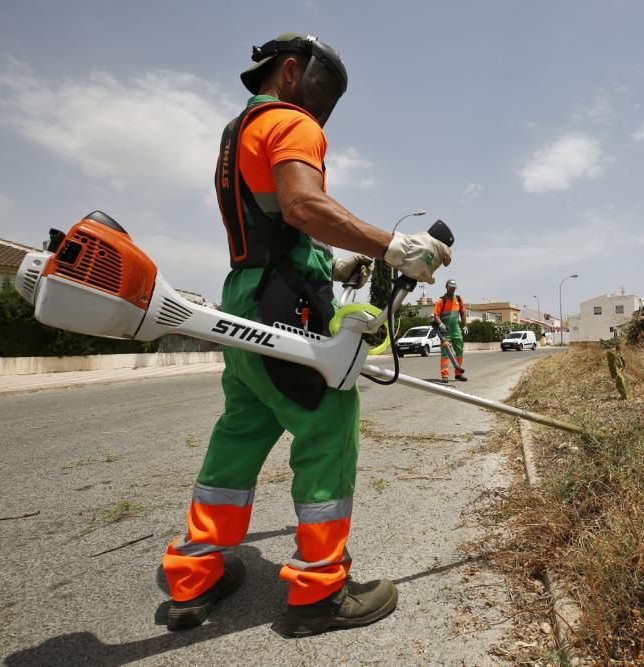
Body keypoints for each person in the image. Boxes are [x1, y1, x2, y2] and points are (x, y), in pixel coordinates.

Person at [161, 32, 451, 637]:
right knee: (327, 424)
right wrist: (396, 246)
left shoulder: (238, 129)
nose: (323, 110)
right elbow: (301, 205)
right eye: (323, 90)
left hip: (244, 295)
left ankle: (195, 575)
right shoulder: (292, 122)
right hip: (282, 304)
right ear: (291, 71)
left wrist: (332, 262)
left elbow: (272, 221)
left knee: (241, 429)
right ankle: (319, 588)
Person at [431, 279, 468, 383]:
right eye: (450, 286)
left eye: (454, 287)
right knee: (445, 354)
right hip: (445, 332)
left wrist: (465, 325)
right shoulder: (441, 301)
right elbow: (435, 315)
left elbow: (462, 313)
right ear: (446, 287)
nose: (452, 289)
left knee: (459, 353)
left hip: (456, 331)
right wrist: (441, 324)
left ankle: (458, 374)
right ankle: (445, 375)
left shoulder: (459, 300)